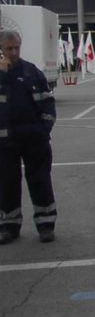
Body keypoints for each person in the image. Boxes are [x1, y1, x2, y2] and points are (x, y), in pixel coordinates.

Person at [0, 30, 57, 244]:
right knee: (7, 184)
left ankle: (45, 224)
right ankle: (9, 226)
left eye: (16, 48)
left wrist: (44, 129)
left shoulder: (31, 71)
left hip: (34, 139)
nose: (13, 52)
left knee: (40, 181)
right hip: (4, 141)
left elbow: (47, 102)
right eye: (9, 48)